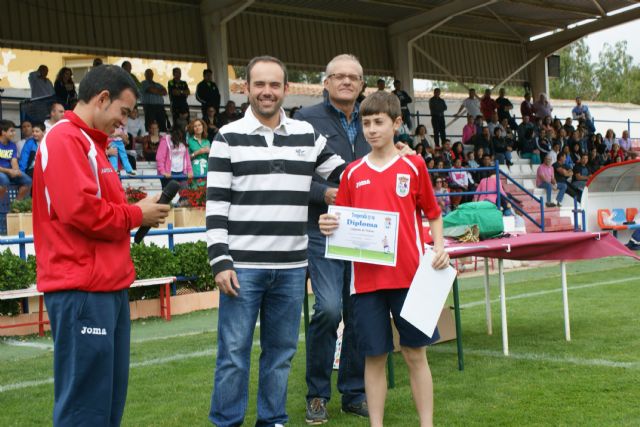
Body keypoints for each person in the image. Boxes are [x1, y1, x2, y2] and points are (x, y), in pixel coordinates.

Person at [206, 56, 347, 427]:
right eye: (259, 84)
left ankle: (273, 420)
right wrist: (220, 261)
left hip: (291, 268)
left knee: (281, 353)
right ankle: (226, 422)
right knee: (233, 353)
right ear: (247, 88)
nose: (266, 91)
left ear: (286, 89)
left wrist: (393, 157)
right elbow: (216, 206)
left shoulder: (307, 135)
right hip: (243, 268)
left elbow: (347, 174)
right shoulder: (227, 138)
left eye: (274, 85)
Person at [31, 65, 170, 427]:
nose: (123, 123)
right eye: (123, 112)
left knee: (106, 404)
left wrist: (136, 213)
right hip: (82, 288)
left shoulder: (92, 144)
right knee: (85, 408)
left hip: (106, 286)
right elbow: (81, 211)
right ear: (102, 98)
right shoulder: (65, 139)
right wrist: (136, 215)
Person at [318, 91, 449, 427]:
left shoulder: (413, 165)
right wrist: (328, 223)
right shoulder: (351, 173)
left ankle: (427, 424)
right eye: (366, 123)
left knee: (414, 354)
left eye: (379, 122)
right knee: (373, 357)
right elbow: (341, 222)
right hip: (366, 283)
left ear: (397, 123)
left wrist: (439, 247)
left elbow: (433, 213)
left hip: (409, 278)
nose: (372, 129)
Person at [294, 54, 370, 424]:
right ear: (325, 82)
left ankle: (353, 392)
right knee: (328, 309)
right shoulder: (305, 120)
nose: (345, 81)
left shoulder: (373, 118)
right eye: (338, 76)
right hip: (321, 230)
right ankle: (317, 394)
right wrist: (324, 193)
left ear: (361, 84)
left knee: (358, 313)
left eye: (352, 77)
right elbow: (288, 176)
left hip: (365, 233)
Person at [0, 120, 32, 201]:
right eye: (11, 131)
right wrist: (9, 171)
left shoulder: (12, 145)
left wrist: (16, 170)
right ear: (3, 132)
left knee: (28, 181)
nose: (14, 133)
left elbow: (14, 161)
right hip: (2, 171)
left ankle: (16, 205)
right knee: (4, 180)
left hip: (9, 171)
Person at [156, 125, 193, 189]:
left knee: (185, 194)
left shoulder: (184, 141)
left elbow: (187, 158)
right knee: (168, 196)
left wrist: (190, 171)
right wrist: (163, 172)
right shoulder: (165, 140)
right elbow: (160, 158)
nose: (179, 139)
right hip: (168, 173)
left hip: (182, 172)